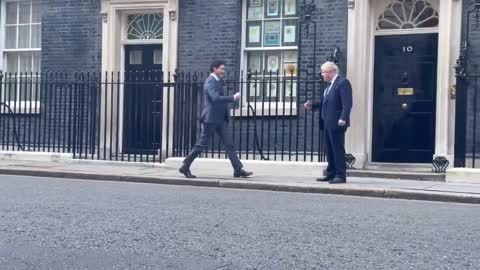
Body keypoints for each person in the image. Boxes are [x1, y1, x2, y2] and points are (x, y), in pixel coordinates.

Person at [179, 60, 253, 179]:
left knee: (229, 144)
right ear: (214, 68)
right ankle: (185, 166)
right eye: (222, 69)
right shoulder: (210, 81)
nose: (224, 71)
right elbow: (215, 98)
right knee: (202, 145)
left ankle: (238, 169)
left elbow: (220, 89)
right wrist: (233, 98)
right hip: (211, 119)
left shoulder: (217, 81)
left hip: (221, 119)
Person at [304, 61, 352, 184]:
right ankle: (331, 173)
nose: (322, 74)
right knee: (329, 149)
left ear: (331, 72)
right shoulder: (329, 86)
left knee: (337, 149)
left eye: (323, 72)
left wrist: (343, 118)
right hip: (327, 123)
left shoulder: (343, 83)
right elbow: (324, 103)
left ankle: (341, 175)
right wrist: (312, 105)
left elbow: (347, 103)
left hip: (337, 122)